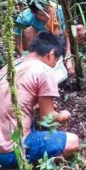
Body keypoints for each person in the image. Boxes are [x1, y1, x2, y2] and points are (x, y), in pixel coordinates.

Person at [0, 31, 79, 167]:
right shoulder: (44, 70)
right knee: (73, 141)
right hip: (10, 150)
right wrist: (63, 115)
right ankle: (25, 164)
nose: (54, 65)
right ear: (52, 54)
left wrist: (36, 104)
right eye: (56, 60)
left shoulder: (11, 66)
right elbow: (47, 118)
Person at [14, 1, 86, 74]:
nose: (48, 17)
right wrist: (24, 60)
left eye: (48, 12)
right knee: (28, 30)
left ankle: (65, 57)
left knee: (80, 29)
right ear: (33, 13)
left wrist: (68, 57)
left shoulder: (58, 10)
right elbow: (18, 45)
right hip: (38, 45)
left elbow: (66, 35)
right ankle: (34, 60)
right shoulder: (23, 18)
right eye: (42, 15)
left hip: (56, 39)